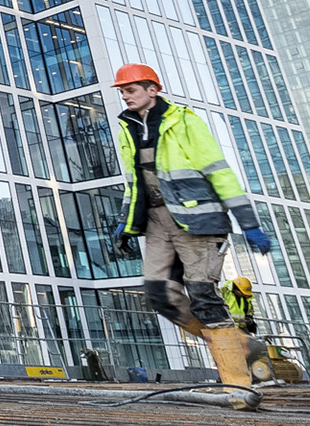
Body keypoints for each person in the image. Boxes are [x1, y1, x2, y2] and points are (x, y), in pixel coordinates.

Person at [108, 63, 275, 386]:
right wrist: (124, 223)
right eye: (123, 91)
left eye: (130, 90)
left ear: (152, 90)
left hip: (198, 220)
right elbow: (134, 183)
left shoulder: (184, 121)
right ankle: (242, 347)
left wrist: (248, 222)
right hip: (157, 221)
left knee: (203, 295)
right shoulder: (127, 129)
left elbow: (218, 171)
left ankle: (237, 384)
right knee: (159, 295)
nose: (125, 96)